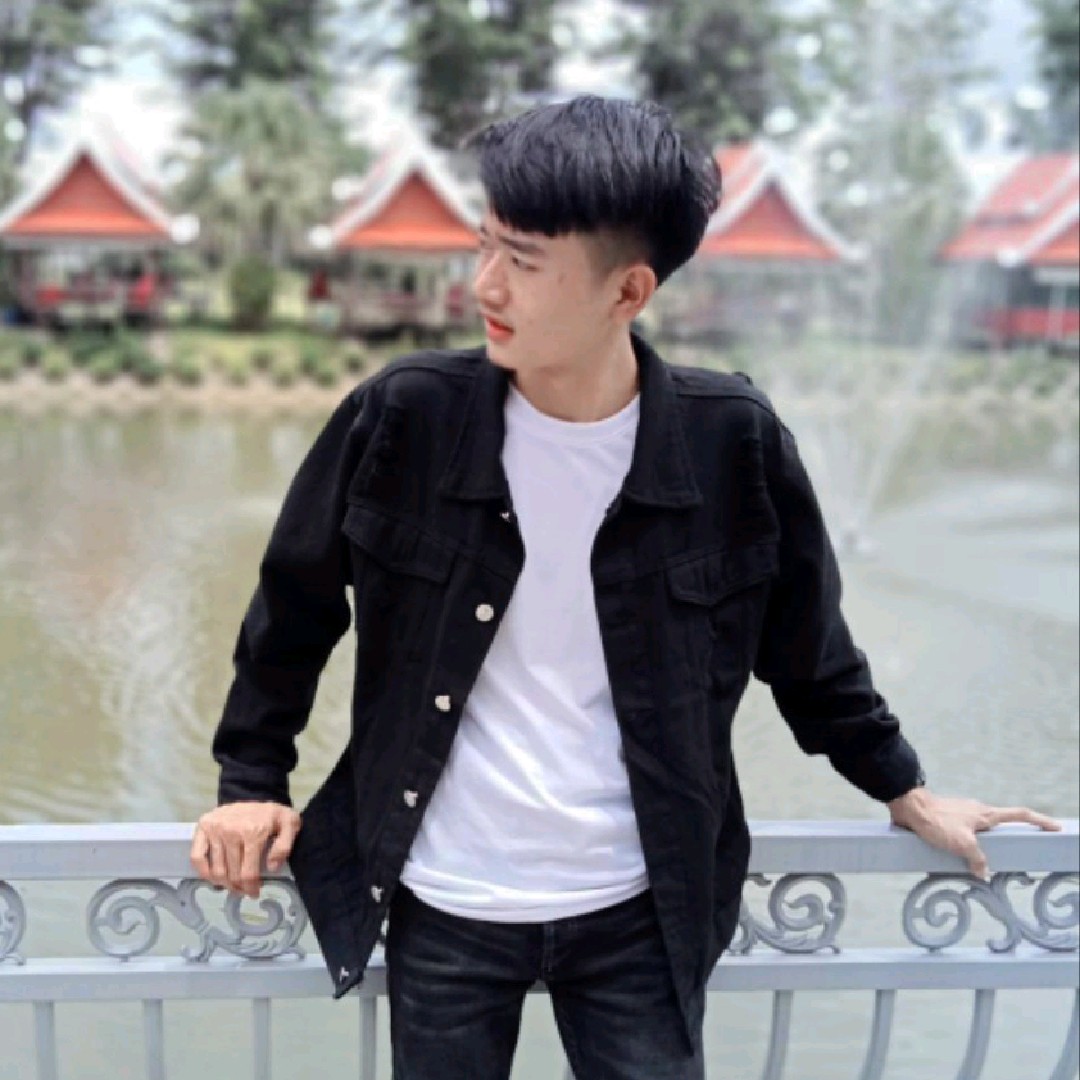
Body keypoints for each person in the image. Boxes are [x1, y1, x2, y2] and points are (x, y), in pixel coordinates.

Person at [190, 96, 1060, 1080]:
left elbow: (808, 651)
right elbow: (293, 612)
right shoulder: (404, 417)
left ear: (629, 289)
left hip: (641, 910)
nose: (484, 283)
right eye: (485, 245)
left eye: (524, 261)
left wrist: (903, 786)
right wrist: (250, 786)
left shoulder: (730, 441)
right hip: (444, 898)